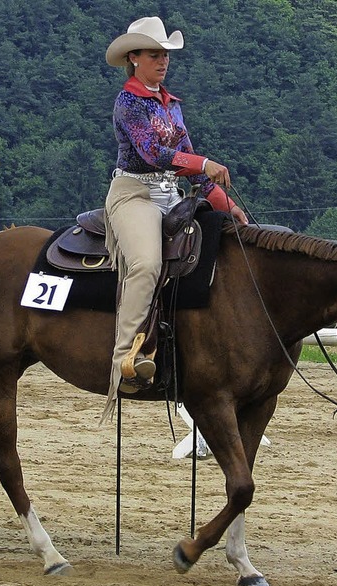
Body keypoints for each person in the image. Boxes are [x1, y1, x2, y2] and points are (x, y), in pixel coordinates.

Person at [103, 16, 248, 414]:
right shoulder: (129, 103)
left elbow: (186, 167)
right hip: (133, 193)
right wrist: (203, 163)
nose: (163, 60)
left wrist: (227, 206)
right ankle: (123, 361)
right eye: (154, 54)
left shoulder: (172, 105)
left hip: (170, 193)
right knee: (147, 264)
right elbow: (153, 153)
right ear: (133, 58)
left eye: (165, 54)